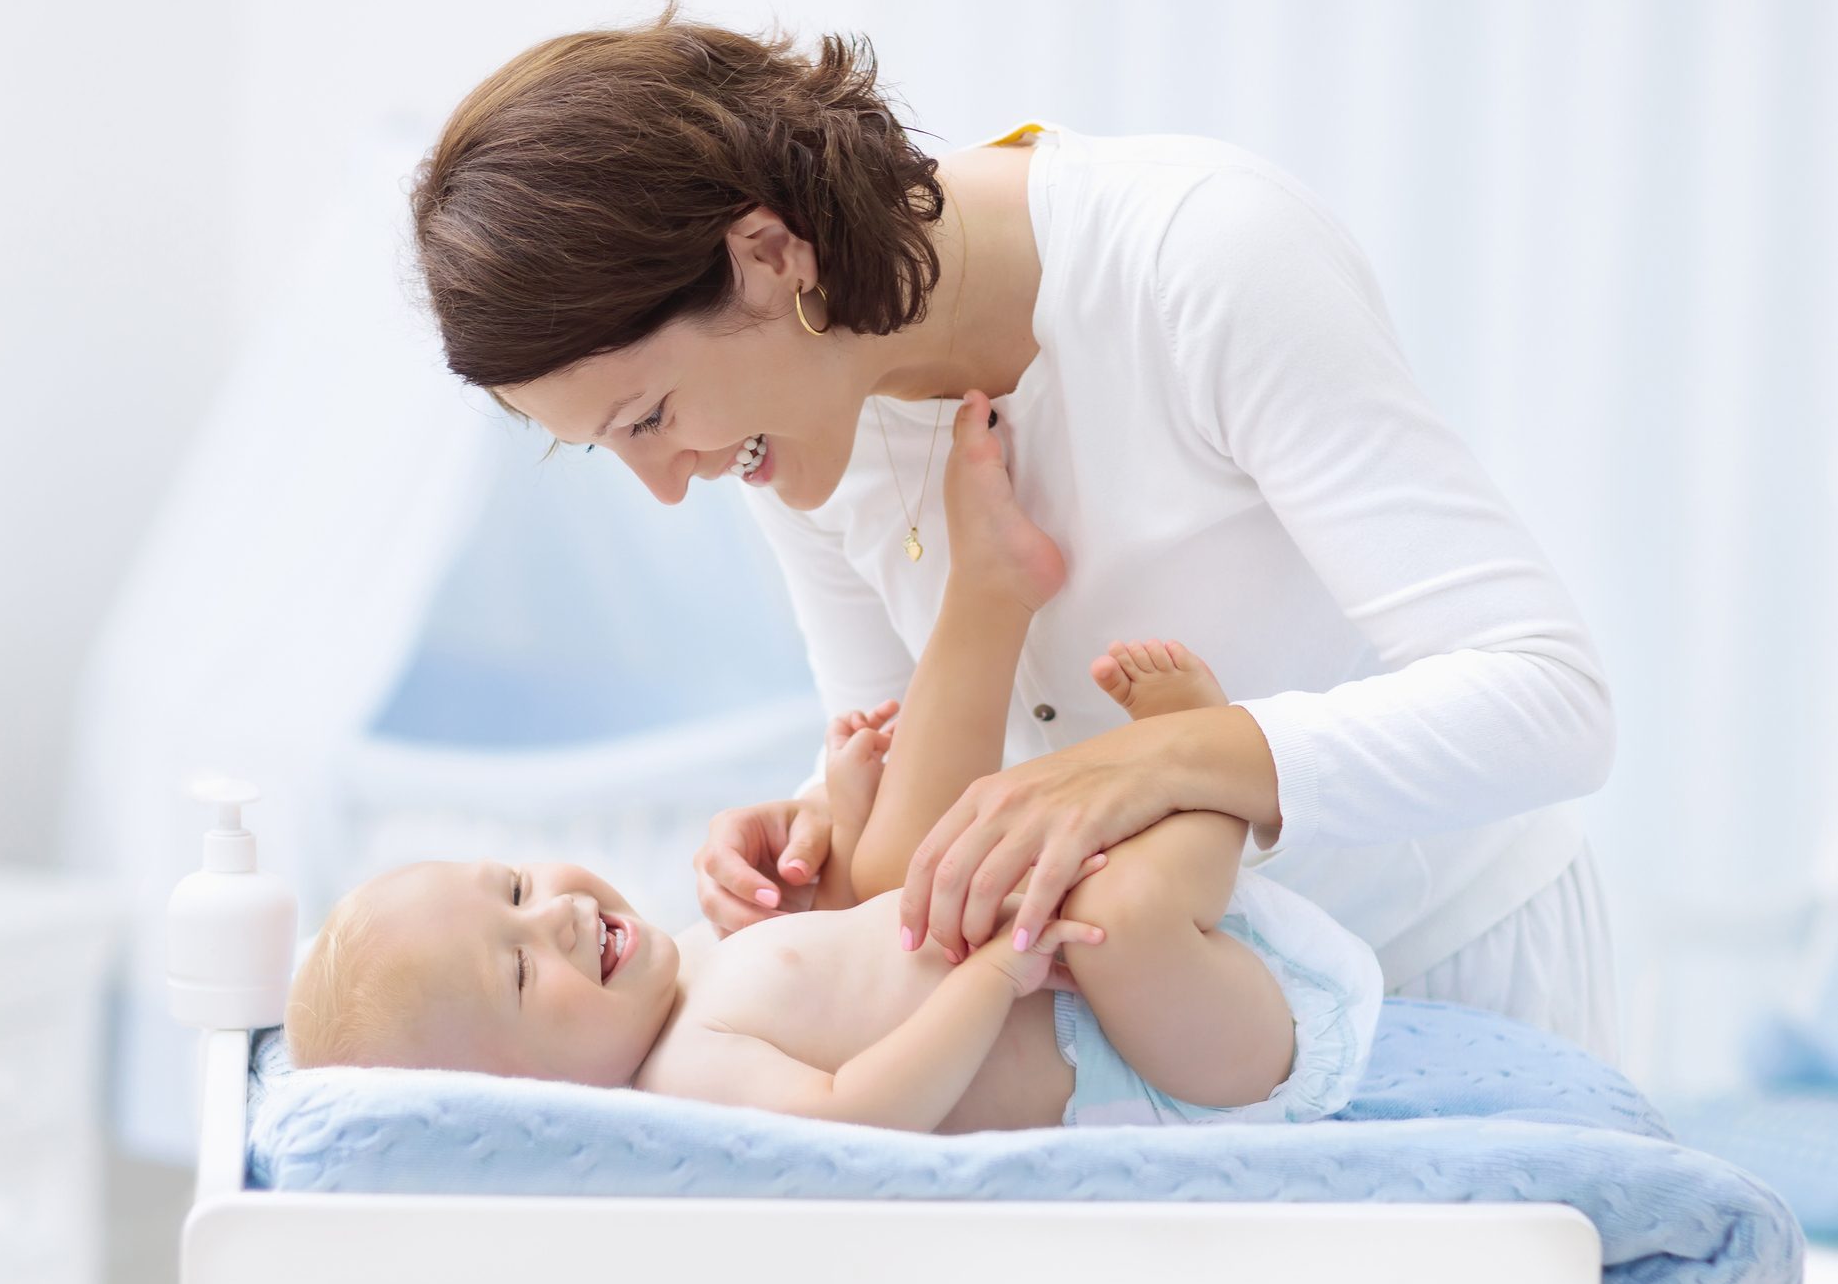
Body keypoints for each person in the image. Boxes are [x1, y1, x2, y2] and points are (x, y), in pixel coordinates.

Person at [407, 0, 1618, 1058]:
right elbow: (915, 744)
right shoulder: (794, 414)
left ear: (766, 255)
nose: (669, 486)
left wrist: (1153, 762)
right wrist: (826, 821)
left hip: (1441, 966)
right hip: (1166, 1052)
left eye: (650, 417)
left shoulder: (1200, 260)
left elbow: (1551, 702)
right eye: (612, 443)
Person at [284, 396, 1382, 1133]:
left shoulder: (687, 970)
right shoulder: (686, 1078)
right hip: (1174, 1057)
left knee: (905, 867)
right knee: (1121, 909)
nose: (557, 920)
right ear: (526, 1102)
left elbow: (848, 943)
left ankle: (997, 597)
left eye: (518, 889)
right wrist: (986, 982)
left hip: (1098, 986)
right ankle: (1198, 762)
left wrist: (840, 823)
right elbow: (856, 1111)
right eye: (520, 974)